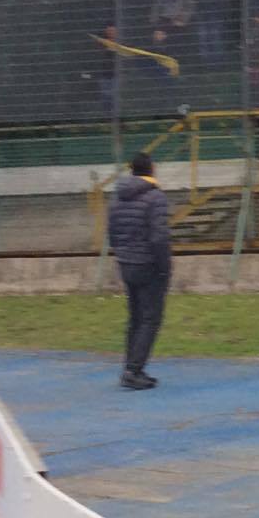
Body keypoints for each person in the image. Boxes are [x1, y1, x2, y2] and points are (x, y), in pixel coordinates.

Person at [106, 152, 171, 391]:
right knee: (150, 318)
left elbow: (111, 229)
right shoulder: (156, 198)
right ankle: (134, 370)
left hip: (126, 262)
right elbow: (159, 236)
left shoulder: (117, 197)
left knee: (135, 318)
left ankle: (131, 367)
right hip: (148, 264)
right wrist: (165, 266)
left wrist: (122, 253)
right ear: (151, 169)